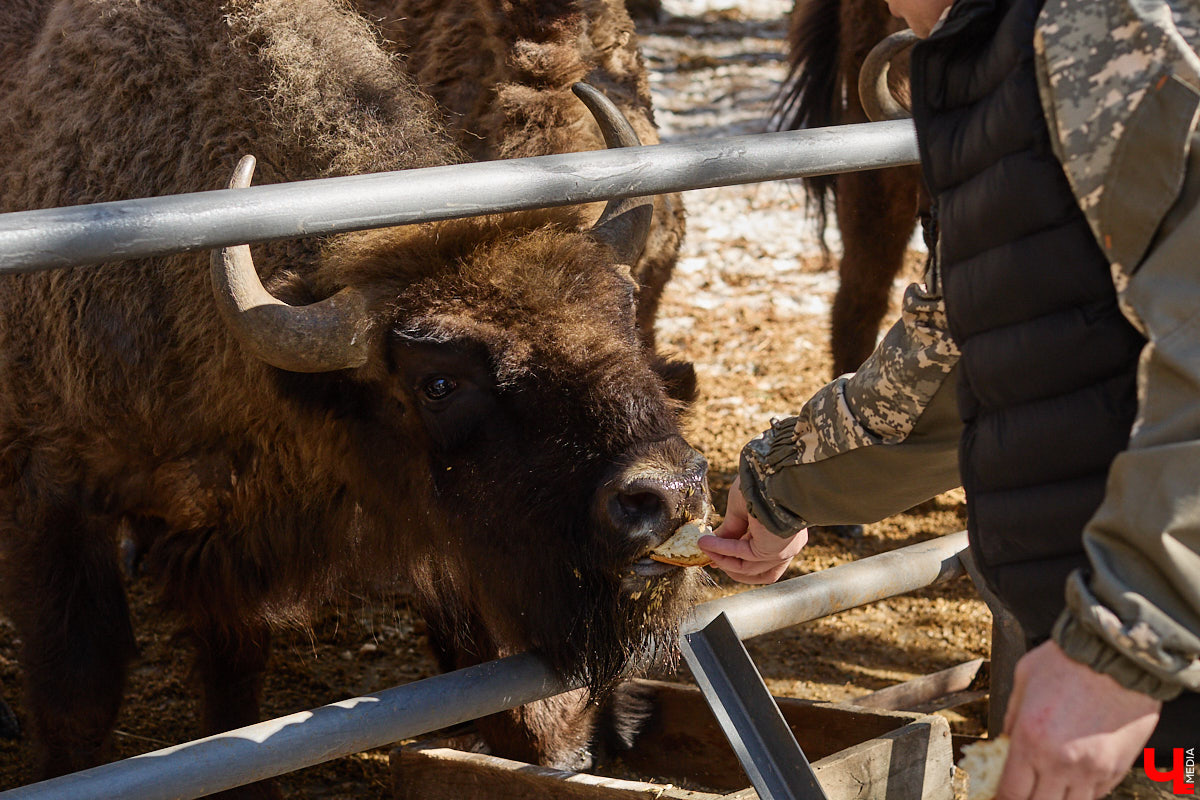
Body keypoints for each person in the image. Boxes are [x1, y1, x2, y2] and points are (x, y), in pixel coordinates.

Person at [698, 0, 1200, 797]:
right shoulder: (992, 60)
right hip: (1122, 668)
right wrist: (781, 488)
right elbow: (960, 350)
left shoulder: (1102, 27)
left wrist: (1124, 645)